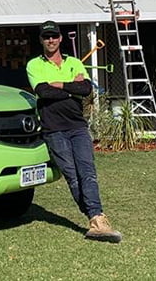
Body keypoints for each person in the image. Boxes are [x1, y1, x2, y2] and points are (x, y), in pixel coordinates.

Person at [26, 21, 122, 243]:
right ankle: (94, 215)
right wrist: (70, 88)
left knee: (87, 172)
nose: (50, 40)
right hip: (54, 129)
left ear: (60, 38)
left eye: (54, 36)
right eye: (46, 37)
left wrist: (59, 84)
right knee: (72, 175)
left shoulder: (75, 62)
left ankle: (97, 219)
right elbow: (42, 91)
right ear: (41, 40)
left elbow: (86, 89)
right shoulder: (34, 65)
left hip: (77, 126)